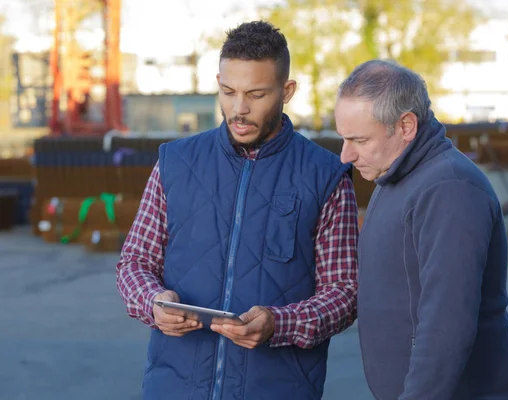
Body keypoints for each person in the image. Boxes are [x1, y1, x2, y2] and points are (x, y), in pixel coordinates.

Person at [116, 21, 359, 400]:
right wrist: (152, 301)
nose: (239, 108)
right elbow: (135, 260)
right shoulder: (175, 162)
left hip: (278, 389)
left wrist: (281, 323)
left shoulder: (326, 175)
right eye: (228, 92)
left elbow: (345, 293)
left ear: (287, 91)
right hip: (174, 387)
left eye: (256, 94)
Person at [334, 60, 508, 400]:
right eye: (343, 139)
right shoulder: (392, 180)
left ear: (406, 125)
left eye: (359, 140)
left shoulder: (449, 189)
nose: (346, 155)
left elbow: (446, 325)